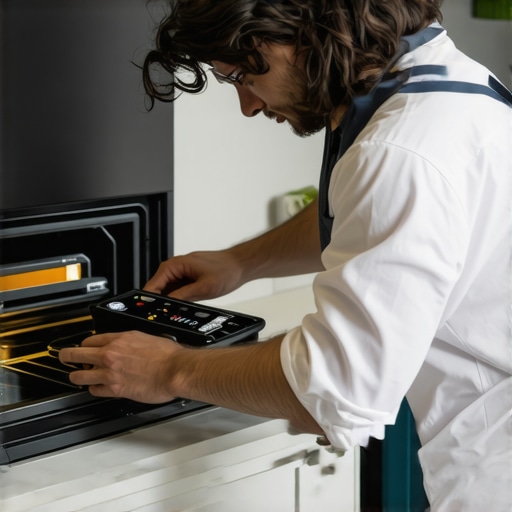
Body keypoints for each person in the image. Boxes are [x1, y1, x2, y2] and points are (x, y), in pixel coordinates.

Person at [60, 1, 512, 510]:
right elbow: (362, 210)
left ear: (302, 32)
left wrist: (169, 370)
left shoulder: (399, 150)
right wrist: (240, 262)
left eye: (240, 77)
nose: (248, 106)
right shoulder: (442, 84)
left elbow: (330, 392)